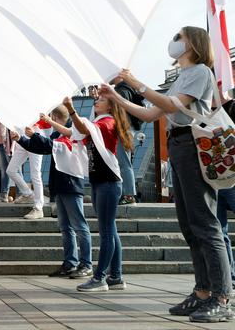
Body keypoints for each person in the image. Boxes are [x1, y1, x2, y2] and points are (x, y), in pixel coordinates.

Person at [100, 27, 233, 322]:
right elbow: (149, 114)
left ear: (192, 43)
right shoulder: (183, 77)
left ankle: (222, 297)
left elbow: (174, 105)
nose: (174, 42)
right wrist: (117, 96)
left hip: (193, 144)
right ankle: (202, 292)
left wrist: (135, 81)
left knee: (206, 223)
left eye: (179, 37)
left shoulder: (200, 71)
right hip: (179, 146)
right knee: (189, 224)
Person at [12, 106, 93, 279]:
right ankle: (70, 263)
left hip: (71, 185)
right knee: (65, 227)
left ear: (55, 117)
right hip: (60, 185)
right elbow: (43, 148)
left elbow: (50, 145)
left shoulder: (73, 131)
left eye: (51, 118)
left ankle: (86, 264)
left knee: (79, 225)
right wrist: (21, 139)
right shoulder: (58, 133)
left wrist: (34, 135)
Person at [63, 94, 130, 293]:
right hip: (102, 182)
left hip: (108, 182)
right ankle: (115, 277)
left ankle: (100, 277)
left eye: (100, 100)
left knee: (107, 231)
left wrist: (71, 109)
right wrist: (50, 121)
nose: (96, 102)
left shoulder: (107, 122)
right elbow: (74, 132)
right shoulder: (99, 123)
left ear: (110, 106)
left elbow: (83, 129)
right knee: (111, 230)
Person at [111, 76, 145, 205]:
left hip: (123, 128)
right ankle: (128, 194)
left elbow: (120, 111)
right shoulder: (128, 88)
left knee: (124, 163)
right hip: (128, 128)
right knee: (125, 162)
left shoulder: (122, 90)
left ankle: (129, 195)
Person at [7, 118, 50, 218]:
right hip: (21, 138)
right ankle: (27, 194)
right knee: (10, 170)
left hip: (35, 137)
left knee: (35, 174)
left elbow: (48, 125)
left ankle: (38, 208)